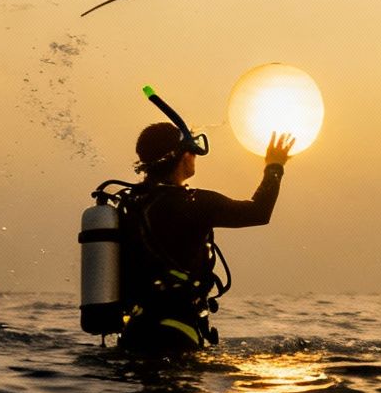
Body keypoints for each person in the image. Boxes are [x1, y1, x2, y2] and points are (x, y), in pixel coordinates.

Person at [118, 120, 295, 355]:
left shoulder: (131, 203)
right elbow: (258, 212)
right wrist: (274, 166)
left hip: (133, 332)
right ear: (185, 156)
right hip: (175, 334)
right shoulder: (194, 203)